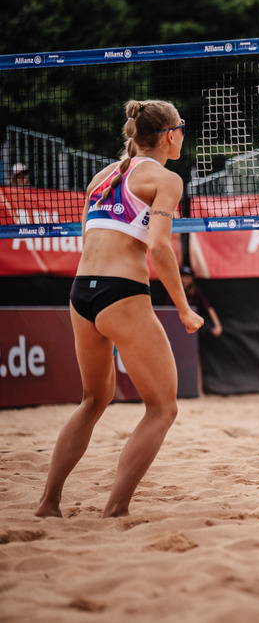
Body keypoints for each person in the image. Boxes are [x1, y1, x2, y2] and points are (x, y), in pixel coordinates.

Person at [35, 100, 204, 519]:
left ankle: (49, 502)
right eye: (182, 128)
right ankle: (115, 508)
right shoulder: (166, 179)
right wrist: (184, 309)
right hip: (121, 292)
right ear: (169, 135)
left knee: (93, 400)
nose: (183, 135)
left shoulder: (102, 177)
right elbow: (160, 248)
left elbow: (89, 239)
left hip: (82, 294)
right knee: (162, 408)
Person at [180, 266, 223, 338]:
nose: (186, 279)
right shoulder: (175, 292)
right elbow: (168, 310)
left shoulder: (197, 292)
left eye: (189, 277)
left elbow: (208, 308)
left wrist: (217, 325)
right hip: (180, 322)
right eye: (184, 276)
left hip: (195, 323)